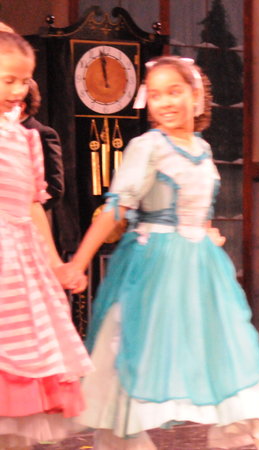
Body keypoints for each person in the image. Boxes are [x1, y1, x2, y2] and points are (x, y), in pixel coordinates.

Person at [61, 56, 259, 449]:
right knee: (131, 353)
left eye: (174, 91)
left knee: (228, 347)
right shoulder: (147, 147)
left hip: (200, 266)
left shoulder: (202, 147)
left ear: (195, 96)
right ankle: (119, 440)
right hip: (154, 265)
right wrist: (78, 262)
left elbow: (198, 207)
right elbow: (116, 207)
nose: (165, 102)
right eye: (156, 94)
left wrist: (205, 231)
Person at [0, 30, 92, 449]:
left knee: (24, 377)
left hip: (20, 265)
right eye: (8, 80)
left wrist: (55, 262)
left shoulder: (25, 138)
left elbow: (34, 206)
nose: (19, 90)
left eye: (24, 80)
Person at [20, 79, 65, 213]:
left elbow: (55, 187)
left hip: (31, 216)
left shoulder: (43, 134)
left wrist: (28, 210)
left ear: (21, 106)